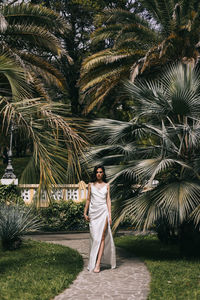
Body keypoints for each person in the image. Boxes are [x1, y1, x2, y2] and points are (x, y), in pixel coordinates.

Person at [84, 165, 116, 273]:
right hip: (93, 213)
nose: (99, 174)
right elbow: (88, 199)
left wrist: (110, 215)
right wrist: (85, 212)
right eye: (97, 172)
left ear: (103, 173)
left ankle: (98, 264)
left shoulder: (107, 185)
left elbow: (108, 201)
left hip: (104, 213)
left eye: (101, 172)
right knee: (95, 238)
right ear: (95, 173)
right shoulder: (90, 185)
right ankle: (93, 261)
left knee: (101, 237)